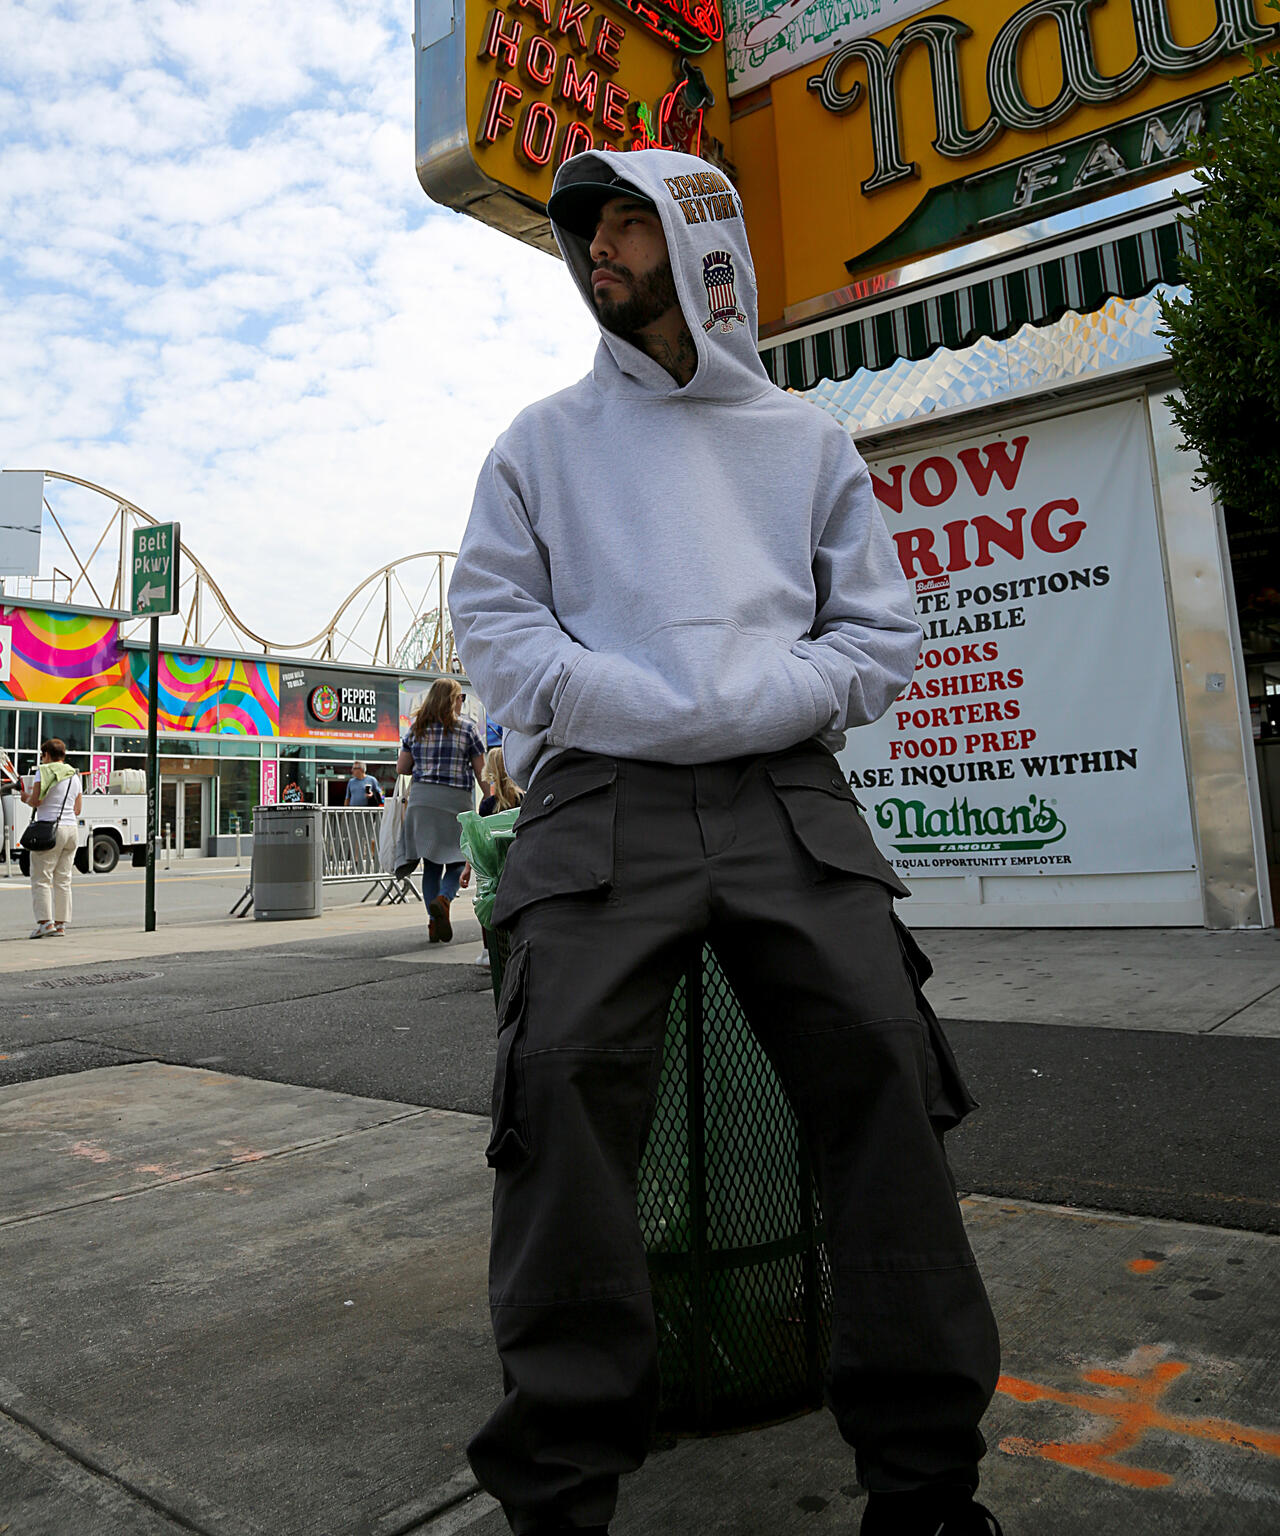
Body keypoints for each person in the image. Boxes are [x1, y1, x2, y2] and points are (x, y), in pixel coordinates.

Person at [448, 148, 1001, 1536]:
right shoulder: (539, 444)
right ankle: (562, 1494)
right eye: (587, 231)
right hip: (598, 800)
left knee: (884, 1067)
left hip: (784, 794)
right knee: (561, 1087)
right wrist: (636, 704)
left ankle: (924, 1486)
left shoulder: (803, 441)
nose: (599, 252)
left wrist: (744, 703)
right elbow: (498, 626)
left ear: (705, 245)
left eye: (630, 223)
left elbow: (879, 635)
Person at [397, 679, 485, 942]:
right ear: (452, 700)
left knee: (432, 865)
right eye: (461, 698)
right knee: (459, 860)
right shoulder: (467, 730)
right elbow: (482, 773)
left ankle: (435, 922)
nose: (462, 703)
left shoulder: (416, 730)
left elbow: (402, 767)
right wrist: (491, 802)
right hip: (455, 802)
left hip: (422, 801)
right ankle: (444, 900)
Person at [21, 738, 83, 939]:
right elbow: (78, 809)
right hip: (71, 830)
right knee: (63, 879)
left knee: (41, 878)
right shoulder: (74, 775)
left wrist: (25, 798)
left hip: (49, 830)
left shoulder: (44, 771)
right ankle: (60, 924)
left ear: (46, 755)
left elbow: (36, 801)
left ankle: (45, 923)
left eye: (42, 755)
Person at [471, 746, 523, 968]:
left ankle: (489, 951)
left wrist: (468, 867)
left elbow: (479, 842)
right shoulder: (523, 799)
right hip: (520, 864)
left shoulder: (487, 805)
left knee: (488, 902)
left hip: (494, 868)